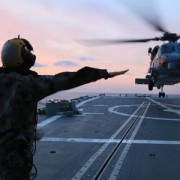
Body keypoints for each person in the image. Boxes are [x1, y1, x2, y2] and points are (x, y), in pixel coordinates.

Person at [0, 37, 128, 180]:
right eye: (27, 52)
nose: (31, 55)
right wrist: (102, 73)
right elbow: (67, 79)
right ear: (21, 56)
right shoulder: (28, 84)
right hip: (14, 152)